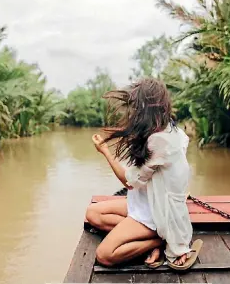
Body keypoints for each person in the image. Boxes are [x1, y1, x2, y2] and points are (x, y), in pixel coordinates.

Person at [85, 77, 203, 270]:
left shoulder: (160, 142)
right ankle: (149, 237)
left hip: (152, 213)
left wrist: (105, 150)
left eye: (137, 107)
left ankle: (157, 242)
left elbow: (129, 182)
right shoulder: (173, 131)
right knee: (93, 213)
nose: (133, 112)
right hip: (143, 201)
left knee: (104, 255)